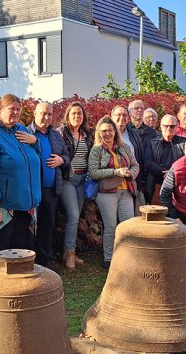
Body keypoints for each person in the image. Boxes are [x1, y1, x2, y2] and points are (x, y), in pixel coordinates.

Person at [0, 94, 42, 265]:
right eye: (11, 108)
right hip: (5, 204)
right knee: (2, 248)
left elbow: (38, 155)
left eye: (18, 109)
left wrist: (35, 141)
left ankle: (18, 285)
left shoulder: (21, 129)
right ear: (0, 110)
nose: (15, 112)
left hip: (27, 201)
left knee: (21, 247)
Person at [88, 116, 139, 268]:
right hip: (107, 192)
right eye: (104, 131)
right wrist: (115, 172)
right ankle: (108, 259)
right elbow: (93, 172)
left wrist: (131, 173)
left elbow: (135, 165)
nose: (107, 134)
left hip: (126, 191)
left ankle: (127, 257)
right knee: (110, 226)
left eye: (110, 130)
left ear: (115, 131)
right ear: (99, 133)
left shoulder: (124, 147)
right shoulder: (96, 150)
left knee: (127, 226)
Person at [29, 101, 69, 267]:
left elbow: (67, 156)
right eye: (43, 113)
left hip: (52, 189)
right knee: (30, 226)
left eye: (50, 114)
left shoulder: (55, 135)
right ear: (34, 113)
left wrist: (61, 160)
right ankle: (29, 261)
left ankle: (46, 262)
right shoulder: (25, 133)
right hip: (31, 190)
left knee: (48, 226)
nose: (46, 117)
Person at [57, 100, 93, 270]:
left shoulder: (87, 134)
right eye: (74, 114)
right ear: (68, 116)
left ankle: (67, 251)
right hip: (68, 180)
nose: (77, 116)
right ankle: (70, 253)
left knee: (76, 217)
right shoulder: (61, 133)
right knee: (72, 214)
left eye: (80, 113)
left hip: (82, 180)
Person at [112, 104, 146, 208]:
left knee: (129, 218)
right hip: (111, 182)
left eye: (124, 115)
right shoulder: (105, 133)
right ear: (111, 116)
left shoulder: (134, 134)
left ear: (128, 118)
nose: (122, 118)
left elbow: (139, 157)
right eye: (118, 114)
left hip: (130, 181)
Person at [144, 114, 184, 202]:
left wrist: (171, 173)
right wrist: (163, 173)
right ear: (161, 127)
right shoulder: (152, 143)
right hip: (157, 184)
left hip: (178, 185)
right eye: (166, 126)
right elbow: (148, 162)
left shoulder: (184, 143)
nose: (169, 128)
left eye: (172, 126)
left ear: (177, 127)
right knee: (157, 214)